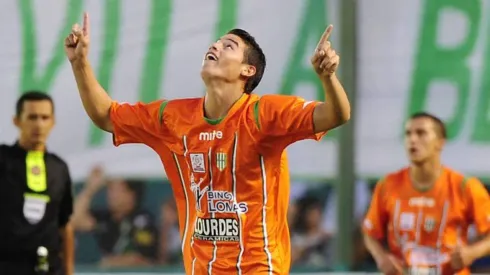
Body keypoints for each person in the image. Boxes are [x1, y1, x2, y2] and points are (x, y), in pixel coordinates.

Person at [64, 12, 350, 274]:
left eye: (229, 45)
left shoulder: (265, 115)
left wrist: (328, 78)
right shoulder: (173, 118)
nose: (215, 46)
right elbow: (106, 117)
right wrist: (80, 64)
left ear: (247, 70)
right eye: (215, 43)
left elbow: (336, 114)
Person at [362, 112, 490, 275]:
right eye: (408, 133)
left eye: (421, 133)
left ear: (440, 143)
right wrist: (381, 258)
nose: (412, 139)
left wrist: (472, 252)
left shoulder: (465, 186)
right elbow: (370, 233)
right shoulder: (388, 185)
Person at [0, 91, 74, 275]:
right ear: (17, 121)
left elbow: (65, 225)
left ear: (53, 122)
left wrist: (69, 271)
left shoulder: (59, 168)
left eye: (44, 117)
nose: (39, 125)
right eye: (32, 117)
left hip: (48, 268)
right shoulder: (3, 160)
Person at [72, 167, 158, 267]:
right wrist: (90, 189)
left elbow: (141, 259)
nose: (110, 195)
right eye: (110, 189)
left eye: (116, 190)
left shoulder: (142, 219)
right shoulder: (105, 217)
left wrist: (108, 264)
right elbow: (73, 221)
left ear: (131, 194)